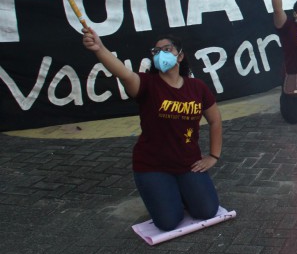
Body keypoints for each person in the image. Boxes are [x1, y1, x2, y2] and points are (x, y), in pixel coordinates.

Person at [82, 30, 222, 231]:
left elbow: (215, 121)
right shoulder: (146, 84)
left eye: (167, 49)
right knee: (168, 222)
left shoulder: (197, 87)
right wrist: (100, 48)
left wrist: (213, 156)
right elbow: (122, 71)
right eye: (156, 51)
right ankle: (167, 191)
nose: (161, 54)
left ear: (180, 56)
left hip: (188, 164)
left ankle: (180, 191)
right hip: (152, 166)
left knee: (207, 210)